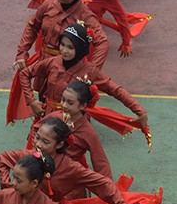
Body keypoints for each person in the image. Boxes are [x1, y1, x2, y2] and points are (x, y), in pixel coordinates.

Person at [0, 117, 151, 204]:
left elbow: (103, 183)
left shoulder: (70, 168)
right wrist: (7, 186)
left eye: (45, 142)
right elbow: (3, 158)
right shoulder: (29, 155)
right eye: (37, 138)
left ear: (59, 145)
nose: (38, 144)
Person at [19, 23, 148, 128]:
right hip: (48, 121)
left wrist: (139, 110)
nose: (64, 50)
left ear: (81, 49)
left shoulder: (90, 71)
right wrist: (32, 101)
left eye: (70, 47)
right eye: (62, 45)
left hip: (73, 125)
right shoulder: (53, 62)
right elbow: (25, 73)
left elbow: (115, 89)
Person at [14, 0, 109, 71]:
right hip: (44, 62)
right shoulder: (48, 4)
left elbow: (102, 42)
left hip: (67, 70)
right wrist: (22, 53)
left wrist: (91, 71)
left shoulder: (85, 16)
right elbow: (33, 26)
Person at [29, 80, 113, 177]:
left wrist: (107, 188)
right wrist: (37, 149)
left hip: (68, 175)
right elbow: (36, 128)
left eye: (70, 102)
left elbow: (100, 162)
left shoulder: (88, 132)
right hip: (45, 169)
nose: (64, 105)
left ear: (83, 105)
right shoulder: (55, 116)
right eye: (63, 100)